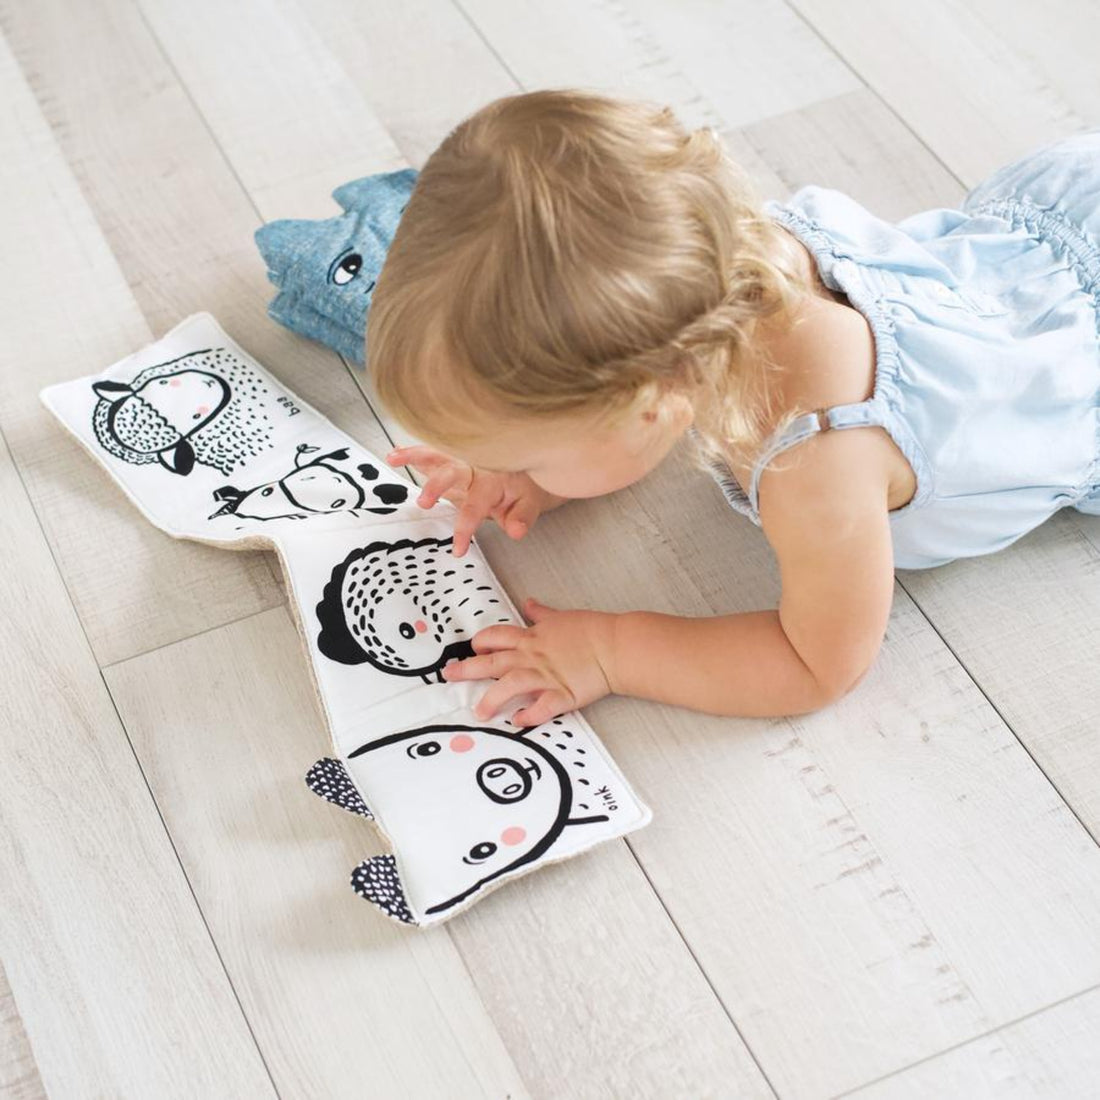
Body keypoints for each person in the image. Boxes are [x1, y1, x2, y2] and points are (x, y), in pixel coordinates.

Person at [366, 88, 1100, 726]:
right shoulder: (712, 273)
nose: (490, 469)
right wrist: (538, 475)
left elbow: (816, 665)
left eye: (517, 456)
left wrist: (610, 650)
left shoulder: (821, 461)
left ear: (650, 403)